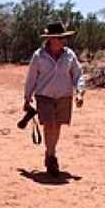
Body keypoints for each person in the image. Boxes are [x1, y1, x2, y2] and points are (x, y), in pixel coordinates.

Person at [23, 22, 85, 176]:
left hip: (64, 95)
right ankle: (51, 157)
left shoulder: (69, 55)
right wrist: (27, 96)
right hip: (44, 95)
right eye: (54, 38)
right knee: (49, 125)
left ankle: (50, 153)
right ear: (49, 39)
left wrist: (80, 92)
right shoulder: (39, 55)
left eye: (60, 38)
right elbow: (31, 76)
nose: (57, 40)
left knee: (57, 126)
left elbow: (78, 74)